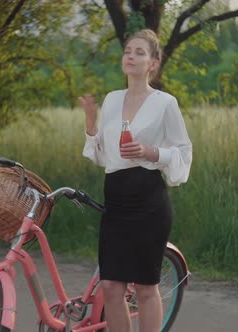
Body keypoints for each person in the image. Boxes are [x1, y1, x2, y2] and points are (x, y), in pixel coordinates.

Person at [79, 29, 192, 332]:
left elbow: (183, 152)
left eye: (139, 52)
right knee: (112, 288)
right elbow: (104, 156)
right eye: (128, 51)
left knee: (144, 288)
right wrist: (91, 124)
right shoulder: (112, 100)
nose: (130, 56)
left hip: (148, 204)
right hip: (116, 204)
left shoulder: (165, 103)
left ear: (153, 63)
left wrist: (150, 151)